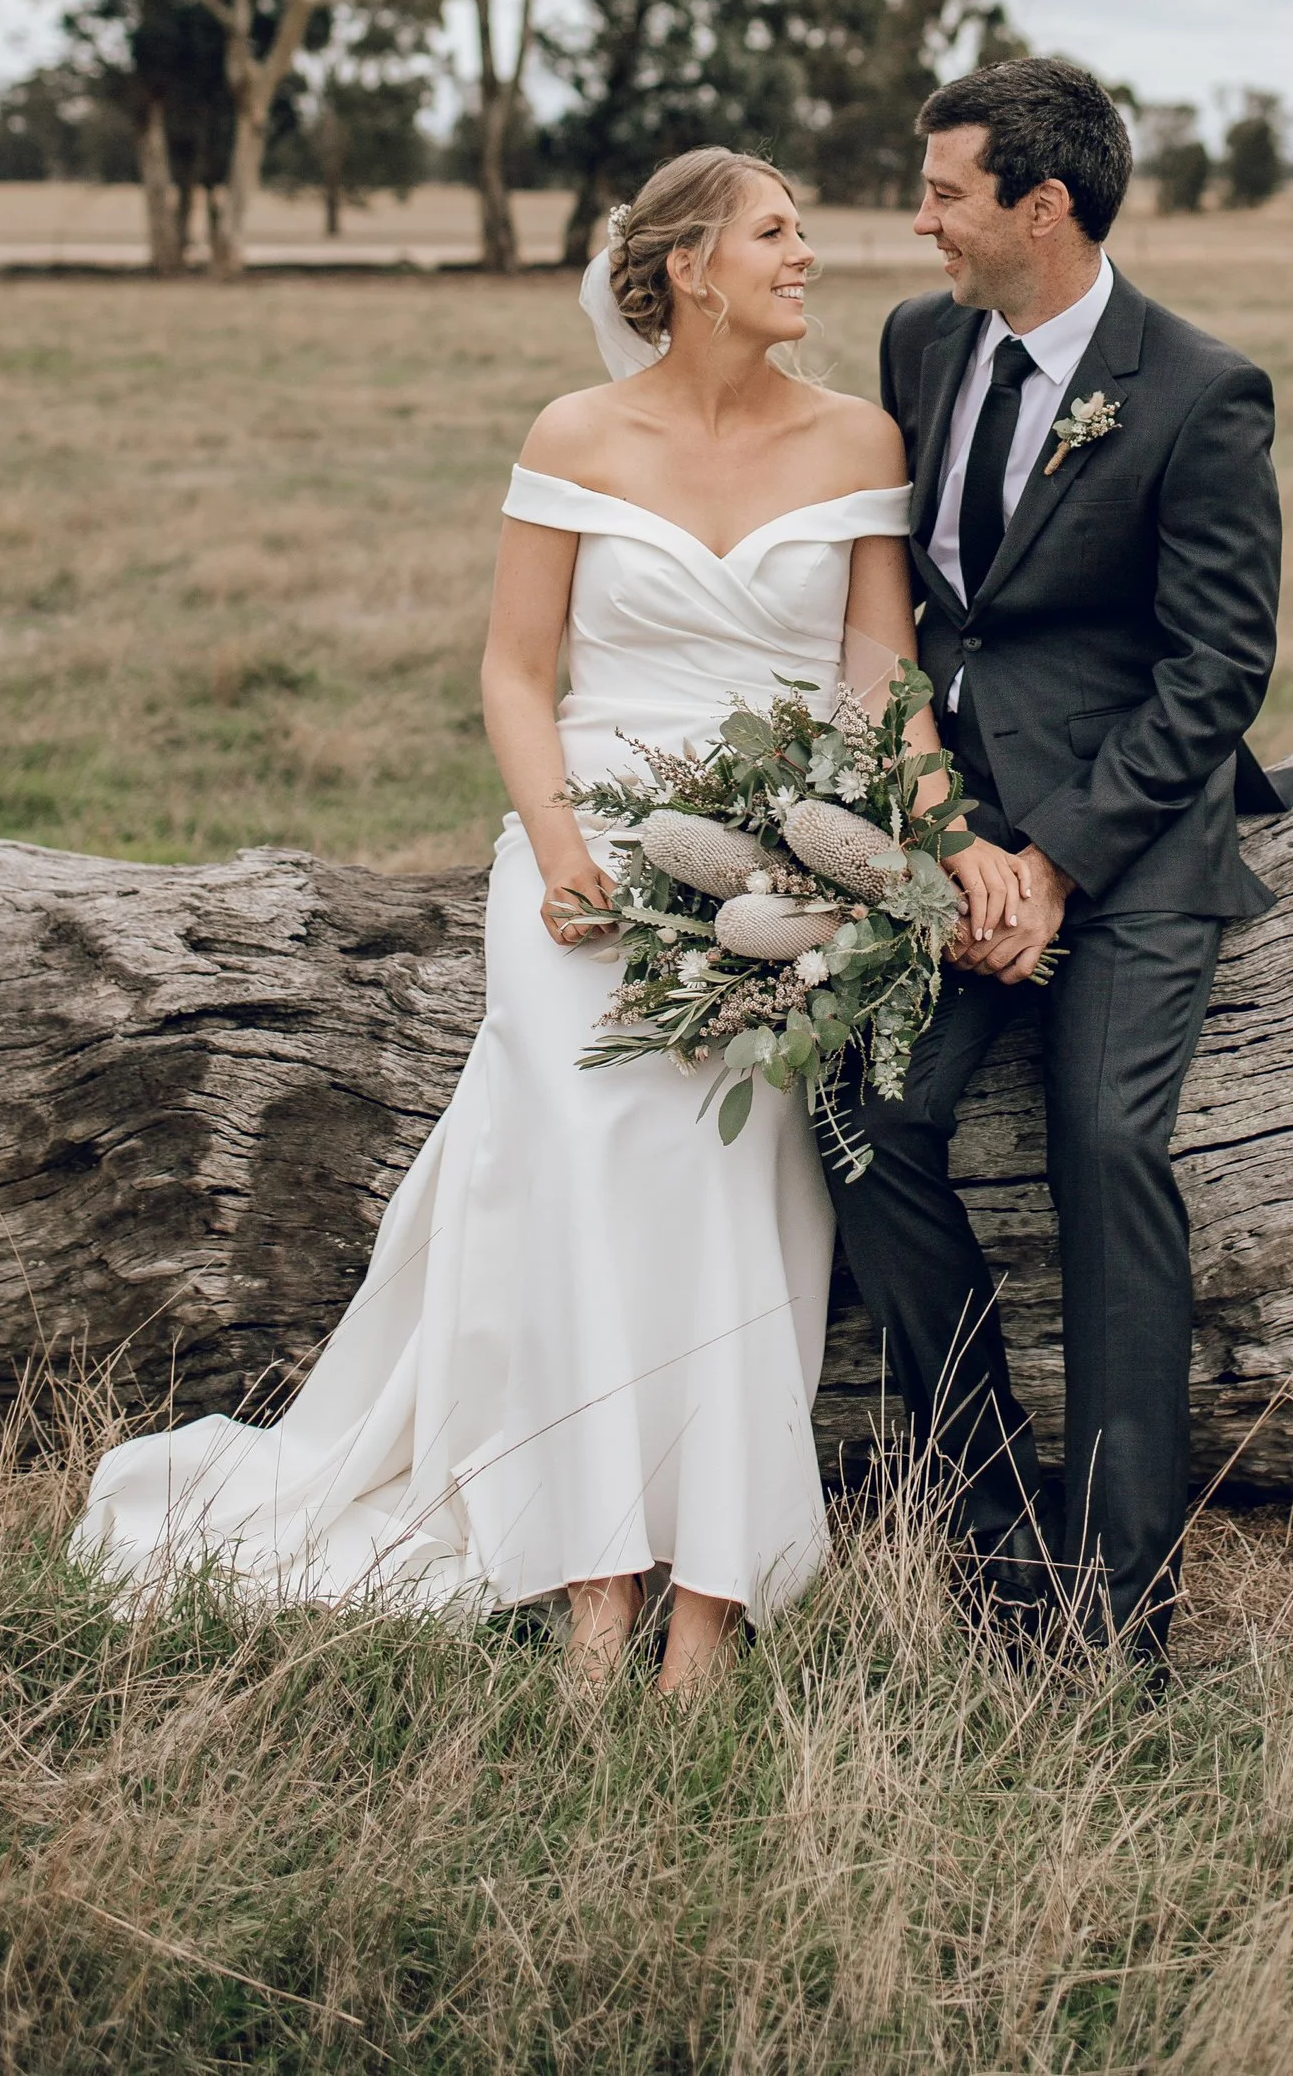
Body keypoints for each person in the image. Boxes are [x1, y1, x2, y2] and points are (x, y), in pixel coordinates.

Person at [77, 146, 1022, 1693]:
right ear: (692, 266)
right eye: (777, 233)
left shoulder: (860, 433)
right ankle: (594, 1580)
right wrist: (561, 846)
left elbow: (877, 683)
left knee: (741, 1179)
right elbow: (517, 671)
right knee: (585, 1150)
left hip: (783, 870)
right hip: (586, 848)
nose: (809, 255)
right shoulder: (573, 434)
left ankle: (711, 1598)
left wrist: (926, 844)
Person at [817, 54, 1293, 1665]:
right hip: (938, 826)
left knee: (1103, 1146)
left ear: (1046, 204)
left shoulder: (1199, 391)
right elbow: (921, 612)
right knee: (862, 1111)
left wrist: (1060, 862)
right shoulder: (918, 341)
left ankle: (1120, 1595)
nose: (918, 218)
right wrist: (951, 835)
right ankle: (988, 1503)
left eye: (946, 191)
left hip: (1131, 836)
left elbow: (1217, 672)